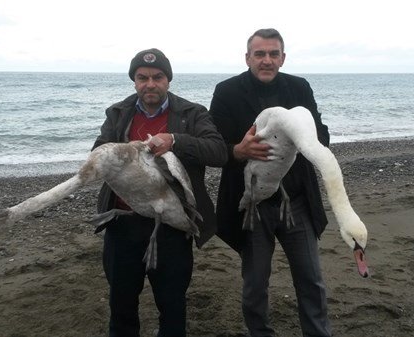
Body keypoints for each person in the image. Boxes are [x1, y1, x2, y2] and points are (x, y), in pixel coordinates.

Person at [92, 48, 227, 337]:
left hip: (171, 228)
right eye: (142, 77)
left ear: (168, 80)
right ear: (134, 81)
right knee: (121, 305)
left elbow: (218, 152)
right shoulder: (117, 113)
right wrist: (120, 153)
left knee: (172, 305)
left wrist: (175, 140)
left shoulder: (192, 113)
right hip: (121, 226)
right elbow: (98, 154)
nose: (150, 84)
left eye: (157, 77)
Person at [209, 29, 332, 336]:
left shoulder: (299, 87)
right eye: (260, 54)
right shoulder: (227, 91)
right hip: (252, 204)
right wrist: (238, 150)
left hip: (297, 200)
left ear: (283, 58)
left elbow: (321, 136)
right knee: (255, 283)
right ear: (247, 57)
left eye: (273, 54)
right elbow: (212, 146)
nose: (267, 61)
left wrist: (302, 139)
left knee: (311, 279)